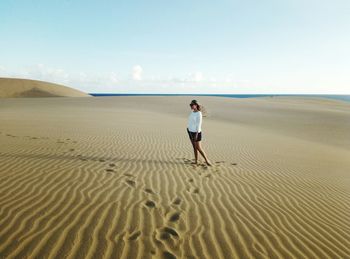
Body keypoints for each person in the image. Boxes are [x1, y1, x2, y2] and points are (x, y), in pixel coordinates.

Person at [187, 100, 212, 166]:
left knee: (199, 148)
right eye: (190, 105)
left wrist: (196, 134)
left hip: (196, 133)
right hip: (190, 131)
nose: (191, 106)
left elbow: (199, 124)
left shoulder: (199, 113)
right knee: (194, 147)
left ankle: (207, 160)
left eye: (192, 105)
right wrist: (188, 129)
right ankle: (196, 161)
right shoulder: (192, 112)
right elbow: (190, 122)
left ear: (196, 105)